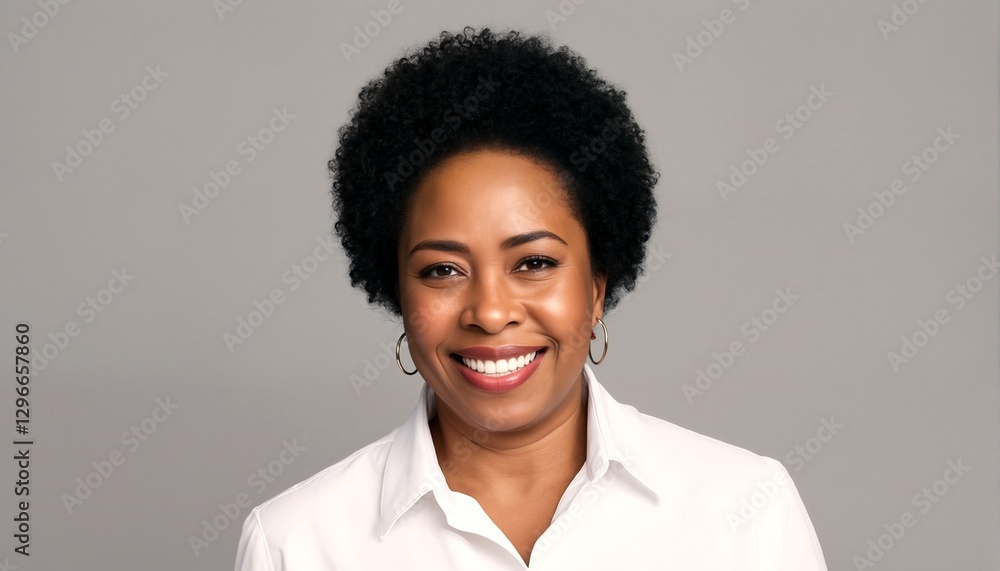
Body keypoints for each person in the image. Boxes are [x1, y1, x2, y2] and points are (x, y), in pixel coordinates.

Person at [235, 27, 827, 570]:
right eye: (442, 270)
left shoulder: (746, 511)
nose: (491, 313)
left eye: (535, 263)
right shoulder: (298, 542)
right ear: (397, 292)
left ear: (597, 288)